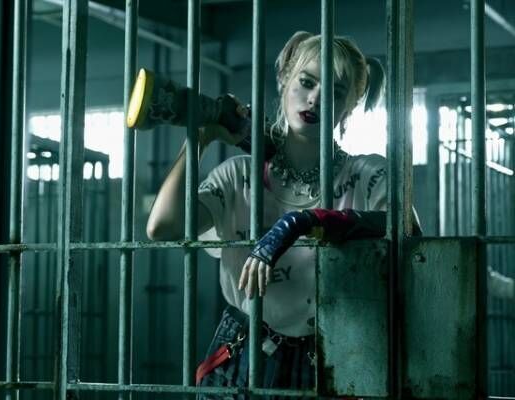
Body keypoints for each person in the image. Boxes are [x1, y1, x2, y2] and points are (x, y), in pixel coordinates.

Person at [146, 31, 419, 398]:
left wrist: (303, 221)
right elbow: (162, 227)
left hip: (337, 356)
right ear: (284, 81)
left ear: (348, 107)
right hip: (244, 353)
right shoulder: (239, 175)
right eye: (306, 82)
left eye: (336, 92)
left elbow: (408, 231)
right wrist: (200, 137)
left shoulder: (368, 174)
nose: (316, 98)